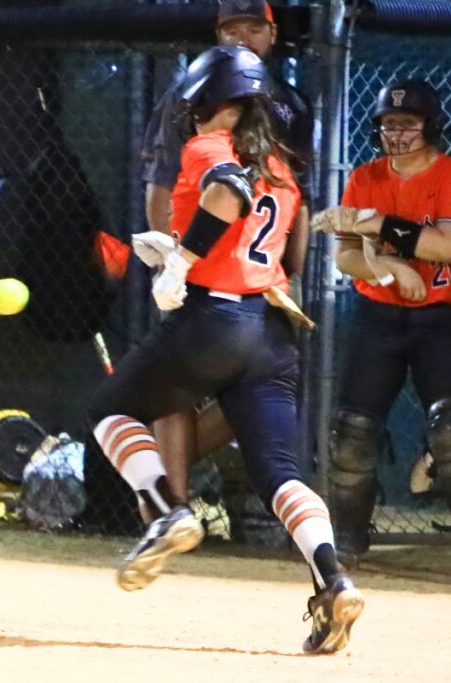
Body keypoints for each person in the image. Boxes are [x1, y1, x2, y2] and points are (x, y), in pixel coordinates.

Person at [91, 45, 362, 655]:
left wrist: (183, 262)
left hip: (213, 320)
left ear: (211, 103)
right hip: (270, 331)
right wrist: (177, 245)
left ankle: (167, 510)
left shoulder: (211, 147)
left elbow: (228, 190)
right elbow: (286, 257)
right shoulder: (284, 168)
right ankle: (333, 578)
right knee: (281, 477)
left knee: (109, 412)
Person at [312, 80, 451, 586]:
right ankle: (349, 538)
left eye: (408, 124)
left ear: (431, 126)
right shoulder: (365, 177)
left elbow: (445, 246)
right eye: (388, 124)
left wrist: (376, 222)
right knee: (353, 433)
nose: (397, 134)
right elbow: (347, 254)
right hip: (379, 317)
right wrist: (390, 271)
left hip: (442, 319)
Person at [139, 0, 313, 510]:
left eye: (252, 27)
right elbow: (161, 187)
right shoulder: (188, 95)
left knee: (253, 393)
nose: (240, 36)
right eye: (229, 27)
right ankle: (169, 508)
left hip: (260, 278)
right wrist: (174, 259)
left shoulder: (291, 105)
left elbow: (298, 199)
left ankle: (151, 490)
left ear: (272, 34)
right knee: (171, 388)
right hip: (197, 268)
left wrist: (292, 275)